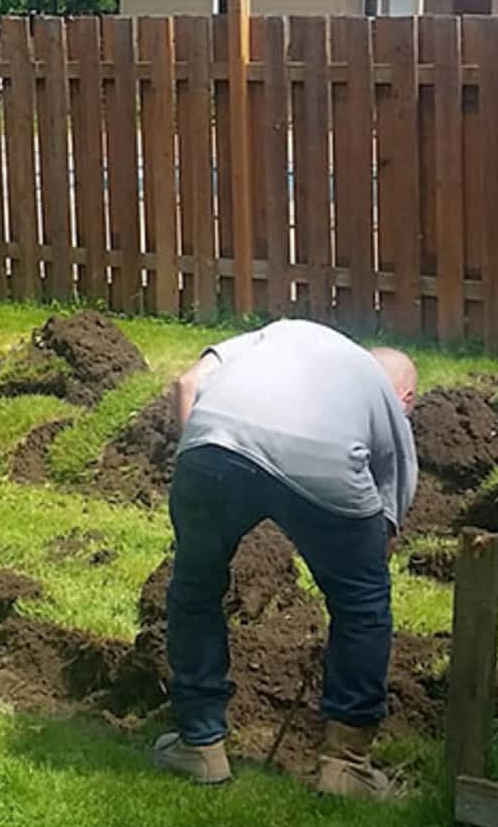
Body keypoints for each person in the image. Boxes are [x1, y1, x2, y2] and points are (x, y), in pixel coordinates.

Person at [151, 320, 418, 800]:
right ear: (410, 397)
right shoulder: (380, 386)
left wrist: (204, 478)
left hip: (213, 444)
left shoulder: (273, 335)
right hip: (323, 459)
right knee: (363, 605)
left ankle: (201, 745)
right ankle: (346, 765)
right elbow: (389, 510)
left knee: (195, 591)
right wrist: (360, 578)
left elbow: (186, 384)